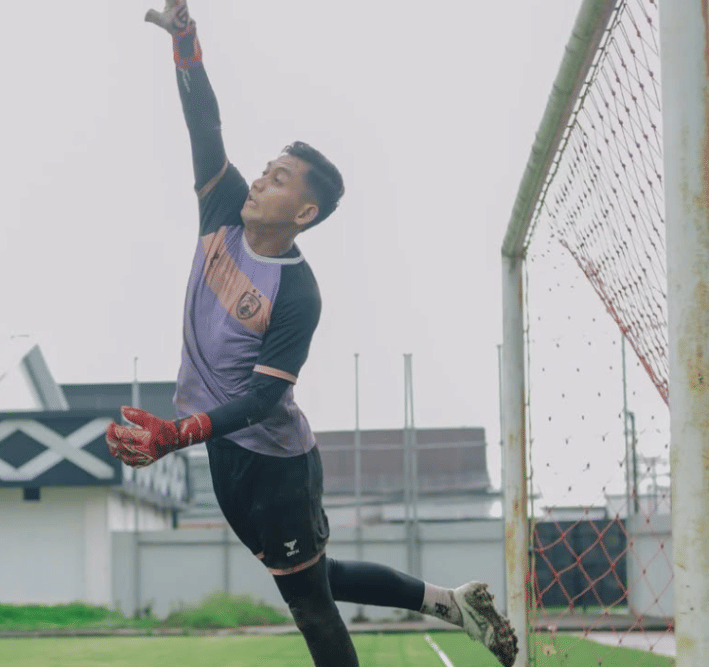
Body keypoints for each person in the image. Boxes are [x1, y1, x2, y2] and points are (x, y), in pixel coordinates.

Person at [105, 2, 518, 665]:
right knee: (307, 578)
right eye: (264, 169)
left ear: (302, 211)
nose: (258, 179)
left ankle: (449, 603)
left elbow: (266, 400)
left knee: (311, 607)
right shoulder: (222, 208)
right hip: (228, 455)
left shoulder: (297, 290)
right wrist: (186, 42)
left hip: (275, 464)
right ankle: (451, 603)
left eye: (275, 179)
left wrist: (178, 433)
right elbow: (203, 122)